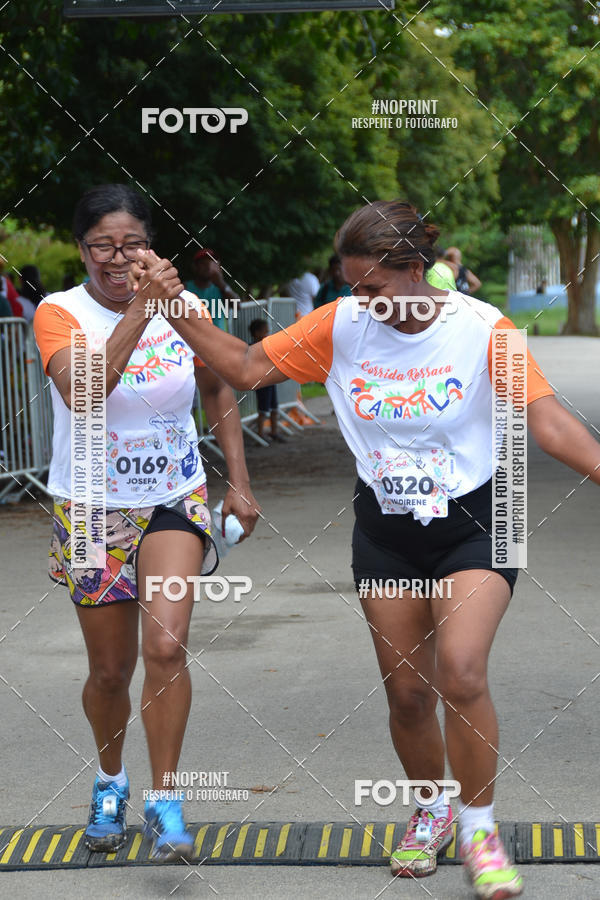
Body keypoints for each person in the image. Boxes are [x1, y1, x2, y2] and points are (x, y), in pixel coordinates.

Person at [130, 199, 600, 899]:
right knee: (408, 695)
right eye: (352, 286)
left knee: (462, 672)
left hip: (478, 521)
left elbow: (551, 425)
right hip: (386, 531)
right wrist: (173, 304)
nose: (363, 301)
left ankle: (480, 830)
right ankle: (432, 809)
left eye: (374, 287)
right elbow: (248, 368)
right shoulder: (342, 324)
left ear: (415, 268)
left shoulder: (482, 330)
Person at [33, 183, 259, 862]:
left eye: (132, 243)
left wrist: (238, 482)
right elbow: (84, 391)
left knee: (166, 647)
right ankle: (110, 781)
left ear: (152, 246)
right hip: (90, 507)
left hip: (172, 498)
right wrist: (141, 306)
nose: (118, 256)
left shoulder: (182, 307)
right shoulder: (58, 313)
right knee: (110, 671)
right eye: (102, 245)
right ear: (81, 250)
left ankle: (166, 801)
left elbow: (219, 384)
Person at [248, 318, 285, 442]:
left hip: (271, 381)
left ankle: (274, 432)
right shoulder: (252, 348)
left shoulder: (267, 345)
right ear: (257, 333)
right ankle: (260, 433)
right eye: (265, 332)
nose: (268, 334)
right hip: (262, 382)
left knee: (274, 407)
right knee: (263, 409)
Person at [185, 248, 236, 331]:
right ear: (195, 266)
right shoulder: (185, 288)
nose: (208, 267)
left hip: (219, 338)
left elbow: (237, 305)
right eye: (203, 263)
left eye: (212, 263)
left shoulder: (220, 288)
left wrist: (222, 284)